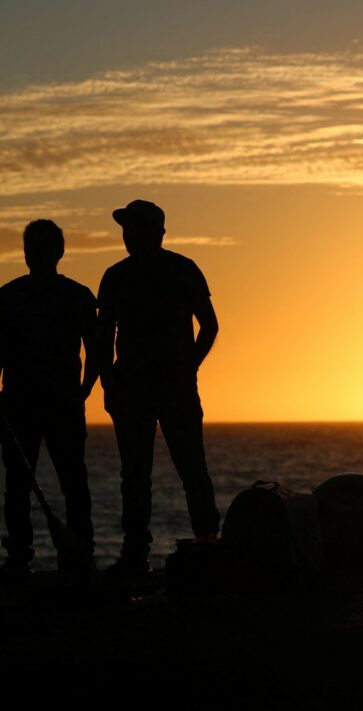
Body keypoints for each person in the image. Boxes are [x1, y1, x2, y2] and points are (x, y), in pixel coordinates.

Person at [98, 200, 220, 578]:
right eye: (126, 228)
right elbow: (103, 336)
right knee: (138, 475)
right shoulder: (118, 276)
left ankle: (208, 546)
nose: (128, 235)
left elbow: (209, 326)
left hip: (170, 389)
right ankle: (138, 554)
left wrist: (187, 367)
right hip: (138, 389)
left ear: (156, 232)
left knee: (188, 469)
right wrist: (109, 382)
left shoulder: (181, 270)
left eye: (135, 228)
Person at [0, 220, 97, 579]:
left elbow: (96, 350)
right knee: (30, 485)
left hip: (48, 404)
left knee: (59, 483)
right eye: (32, 249)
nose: (35, 255)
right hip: (31, 405)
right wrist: (84, 389)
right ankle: (43, 556)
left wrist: (84, 389)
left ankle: (65, 554)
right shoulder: (11, 297)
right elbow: (97, 351)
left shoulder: (11, 297)